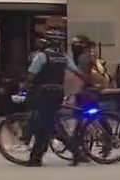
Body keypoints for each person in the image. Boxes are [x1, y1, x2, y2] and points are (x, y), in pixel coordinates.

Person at [22, 29, 86, 166]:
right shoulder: (63, 57)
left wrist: (25, 86)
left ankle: (76, 152)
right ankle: (36, 157)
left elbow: (31, 75)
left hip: (44, 93)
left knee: (48, 124)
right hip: (58, 92)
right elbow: (77, 71)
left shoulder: (42, 56)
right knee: (45, 123)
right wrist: (89, 82)